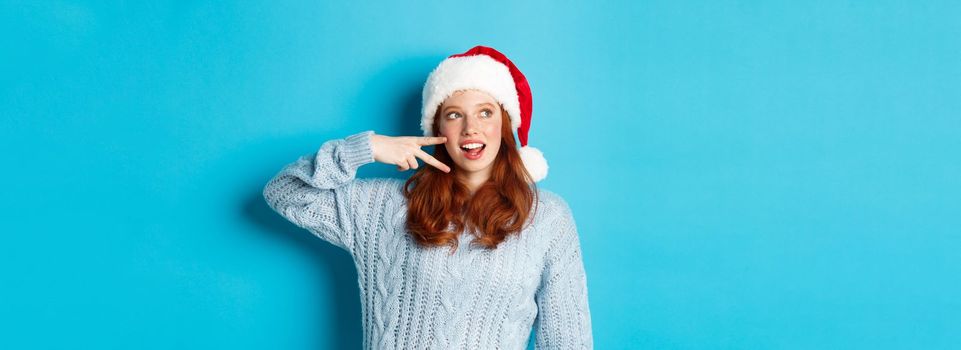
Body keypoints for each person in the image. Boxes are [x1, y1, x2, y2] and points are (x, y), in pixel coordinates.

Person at [263, 45, 592, 349]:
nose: (470, 128)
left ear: (504, 125)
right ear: (437, 128)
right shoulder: (383, 206)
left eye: (485, 112)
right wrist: (366, 148)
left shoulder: (548, 216)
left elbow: (569, 341)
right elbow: (284, 192)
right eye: (454, 114)